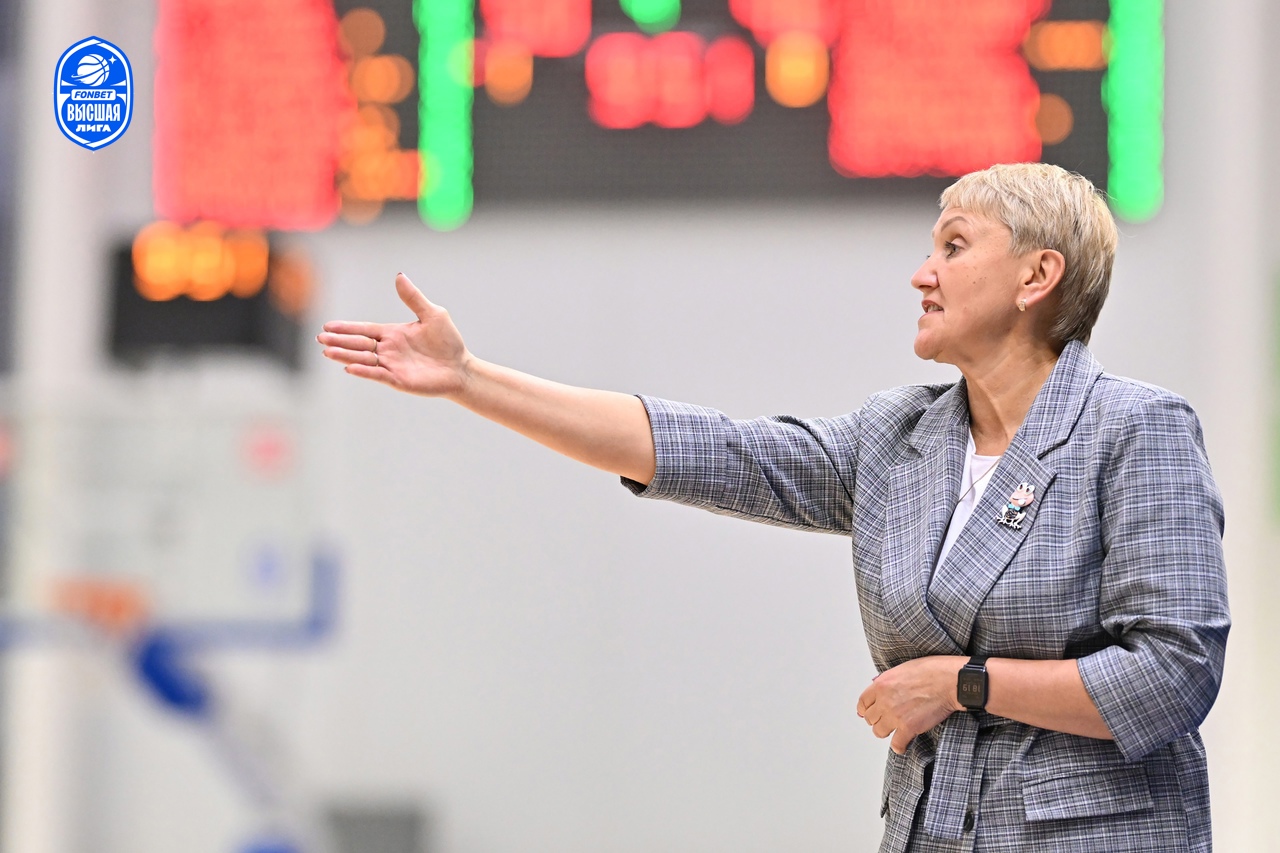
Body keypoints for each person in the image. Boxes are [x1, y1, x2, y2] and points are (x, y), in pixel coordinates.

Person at [316, 163, 1229, 852]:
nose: (921, 274)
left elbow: (1174, 672)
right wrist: (470, 380)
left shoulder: (1135, 429)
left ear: (1037, 276)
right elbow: (710, 449)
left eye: (954, 247)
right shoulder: (899, 439)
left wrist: (963, 682)